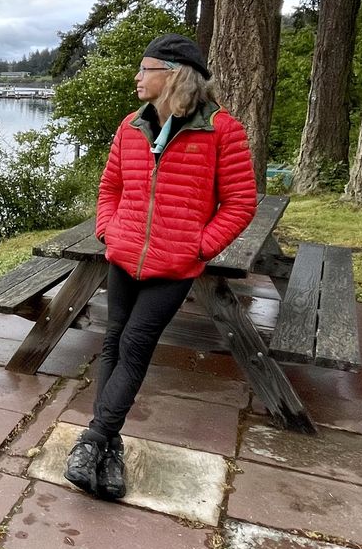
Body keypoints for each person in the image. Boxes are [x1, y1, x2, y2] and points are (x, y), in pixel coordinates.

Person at [64, 33, 257, 500]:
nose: (137, 76)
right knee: (113, 343)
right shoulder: (132, 126)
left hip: (174, 268)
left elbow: (240, 202)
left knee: (134, 345)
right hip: (125, 256)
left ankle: (91, 440)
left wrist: (198, 247)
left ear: (172, 74)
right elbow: (110, 187)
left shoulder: (221, 130)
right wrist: (109, 230)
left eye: (145, 68)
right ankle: (109, 447)